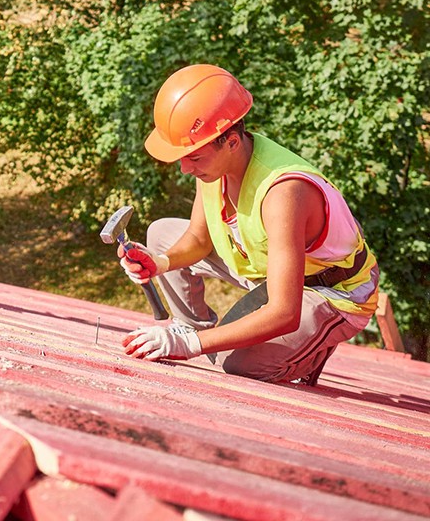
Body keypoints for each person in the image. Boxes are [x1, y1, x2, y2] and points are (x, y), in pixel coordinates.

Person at [119, 64, 378, 385]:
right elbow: (199, 240)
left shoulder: (284, 192)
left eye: (194, 158)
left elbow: (284, 312)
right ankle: (190, 326)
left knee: (236, 365)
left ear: (230, 141)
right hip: (273, 274)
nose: (185, 168)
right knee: (160, 233)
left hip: (332, 292)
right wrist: (158, 264)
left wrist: (192, 348)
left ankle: (306, 352)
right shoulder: (215, 167)